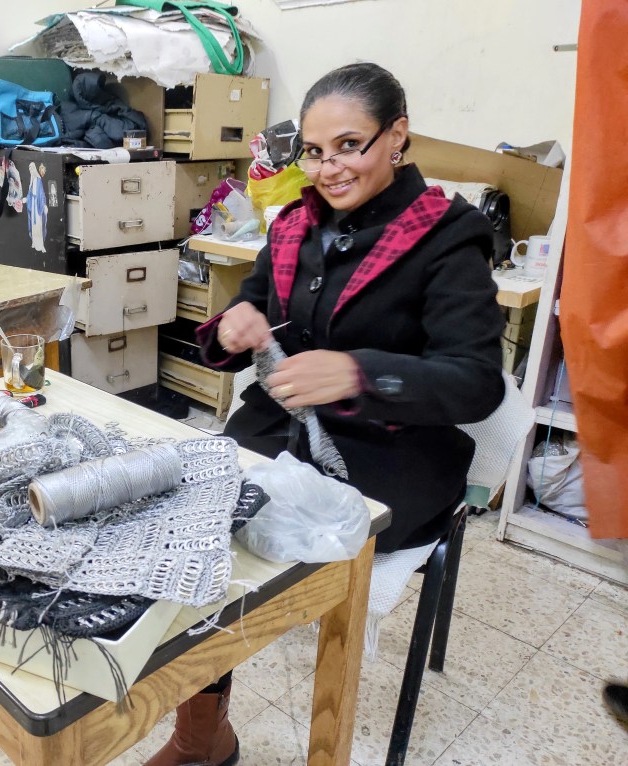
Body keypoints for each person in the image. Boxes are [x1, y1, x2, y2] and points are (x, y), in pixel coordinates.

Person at [145, 62, 505, 766]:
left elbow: (476, 384)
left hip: (390, 451)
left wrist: (359, 374)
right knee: (189, 534)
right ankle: (202, 737)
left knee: (243, 554)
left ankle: (308, 736)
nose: (330, 168)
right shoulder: (293, 227)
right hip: (280, 426)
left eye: (350, 145)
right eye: (314, 151)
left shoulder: (447, 237)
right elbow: (249, 305)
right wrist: (232, 328)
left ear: (397, 135)